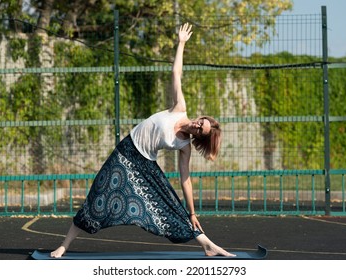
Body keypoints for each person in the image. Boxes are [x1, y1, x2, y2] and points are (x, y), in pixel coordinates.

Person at [51, 23, 234, 258]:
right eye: (202, 122)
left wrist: (192, 212)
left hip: (144, 165)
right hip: (125, 152)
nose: (198, 126)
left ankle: (208, 245)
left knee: (169, 205)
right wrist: (181, 43)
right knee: (97, 195)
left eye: (202, 130)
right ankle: (63, 246)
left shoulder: (184, 146)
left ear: (199, 137)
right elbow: (176, 73)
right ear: (200, 117)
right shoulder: (180, 108)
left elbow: (185, 180)